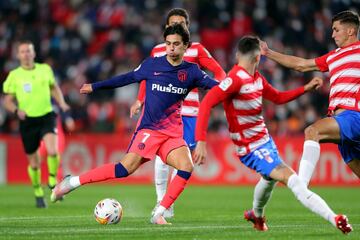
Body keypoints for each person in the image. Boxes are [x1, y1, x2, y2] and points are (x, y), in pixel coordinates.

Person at [51, 24, 219, 225]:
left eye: (176, 44)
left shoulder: (192, 72)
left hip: (173, 133)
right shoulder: (152, 64)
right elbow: (127, 78)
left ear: (185, 47)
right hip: (150, 130)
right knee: (124, 169)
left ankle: (159, 212)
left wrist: (238, 87)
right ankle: (72, 182)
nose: (171, 48)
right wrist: (95, 86)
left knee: (186, 166)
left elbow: (218, 89)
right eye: (168, 44)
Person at [194, 36, 352, 234]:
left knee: (269, 179)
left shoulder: (258, 79)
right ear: (258, 58)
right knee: (292, 179)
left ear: (238, 55)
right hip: (250, 148)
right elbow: (207, 102)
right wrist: (200, 140)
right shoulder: (234, 80)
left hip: (265, 141)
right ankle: (335, 218)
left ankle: (256, 215)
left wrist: (305, 88)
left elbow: (277, 97)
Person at [130, 8, 226, 218]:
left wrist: (220, 88)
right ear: (166, 27)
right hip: (163, 111)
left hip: (190, 111)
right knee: (163, 157)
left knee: (180, 159)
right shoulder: (157, 50)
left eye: (182, 23)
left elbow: (218, 70)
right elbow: (147, 77)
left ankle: (166, 202)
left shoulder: (197, 49)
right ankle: (162, 203)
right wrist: (139, 99)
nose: (177, 26)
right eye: (173, 23)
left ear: (187, 27)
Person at [260, 10, 360, 185]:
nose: (332, 34)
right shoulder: (333, 56)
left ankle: (301, 186)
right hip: (340, 120)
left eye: (336, 29)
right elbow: (301, 65)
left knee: (312, 131)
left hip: (353, 116)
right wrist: (268, 53)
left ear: (350, 31)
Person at [2, 40, 71, 208]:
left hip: (47, 116)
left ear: (34, 53)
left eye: (28, 51)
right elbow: (7, 100)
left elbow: (54, 88)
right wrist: (16, 111)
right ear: (18, 55)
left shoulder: (45, 69)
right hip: (28, 121)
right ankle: (38, 193)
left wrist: (61, 103)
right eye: (22, 51)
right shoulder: (14, 75)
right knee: (34, 162)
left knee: (53, 151)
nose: (26, 54)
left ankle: (52, 179)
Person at [39, 103, 75, 187]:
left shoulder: (57, 100)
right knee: (39, 160)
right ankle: (39, 184)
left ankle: (57, 185)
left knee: (57, 160)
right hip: (43, 135)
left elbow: (65, 112)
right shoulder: (39, 100)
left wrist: (68, 118)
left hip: (57, 135)